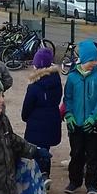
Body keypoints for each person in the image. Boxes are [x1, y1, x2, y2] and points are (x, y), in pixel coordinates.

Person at [63, 40, 97, 194]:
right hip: (75, 123)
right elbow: (67, 97)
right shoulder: (72, 77)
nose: (94, 63)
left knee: (93, 154)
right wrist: (68, 114)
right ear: (83, 60)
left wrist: (93, 118)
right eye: (91, 60)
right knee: (76, 153)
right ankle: (74, 181)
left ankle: (92, 184)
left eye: (96, 60)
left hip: (93, 124)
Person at [21, 47, 62, 186]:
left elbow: (28, 105)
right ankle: (45, 173)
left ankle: (39, 175)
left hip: (36, 122)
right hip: (52, 119)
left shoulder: (34, 86)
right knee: (45, 148)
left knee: (36, 149)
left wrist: (25, 116)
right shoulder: (56, 82)